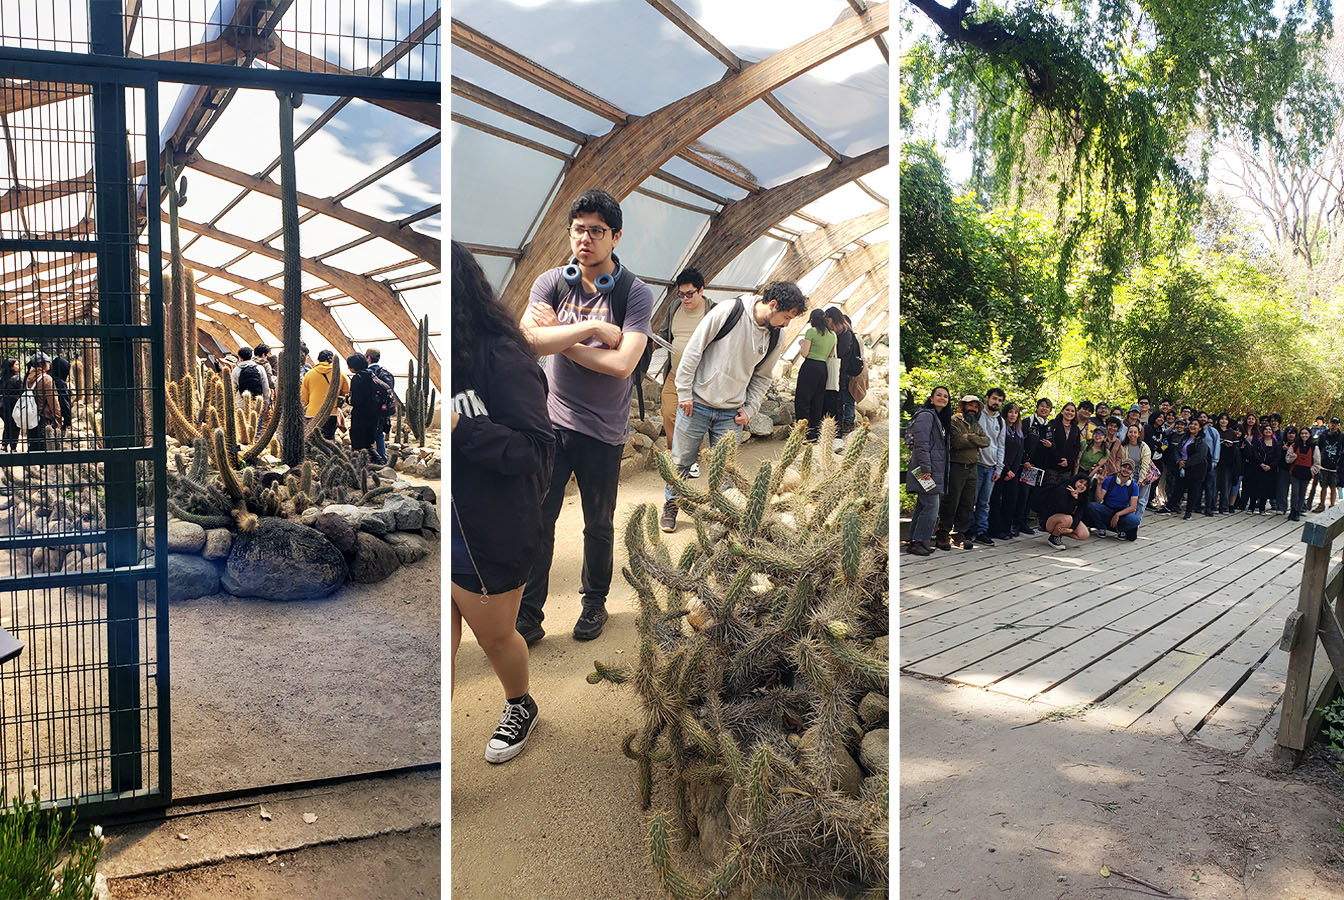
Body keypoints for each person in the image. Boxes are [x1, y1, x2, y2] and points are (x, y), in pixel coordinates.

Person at [518, 189, 654, 645]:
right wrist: (593, 330)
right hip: (550, 423)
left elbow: (622, 365)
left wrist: (559, 335)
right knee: (539, 519)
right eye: (579, 229)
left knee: (598, 523)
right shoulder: (551, 281)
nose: (586, 239)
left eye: (597, 231)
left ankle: (594, 603)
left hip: (603, 430)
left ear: (615, 237)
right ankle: (528, 615)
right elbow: (528, 343)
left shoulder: (635, 294)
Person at [450, 240, 555, 765]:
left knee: (495, 639)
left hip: (487, 535)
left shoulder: (504, 357)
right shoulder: (448, 358)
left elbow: (536, 450)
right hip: (447, 525)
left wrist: (461, 428)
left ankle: (521, 702)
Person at [661, 281, 803, 534]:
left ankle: (721, 516)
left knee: (727, 469)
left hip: (731, 412)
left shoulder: (776, 335)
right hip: (697, 403)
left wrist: (749, 409)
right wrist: (684, 392)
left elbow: (763, 376)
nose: (787, 324)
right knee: (682, 460)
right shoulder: (729, 311)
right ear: (772, 305)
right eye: (787, 317)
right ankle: (671, 504)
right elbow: (693, 350)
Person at [658, 267, 713, 474]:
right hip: (674, 373)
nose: (685, 298)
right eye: (681, 294)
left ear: (701, 290)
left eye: (689, 294)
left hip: (699, 377)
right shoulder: (674, 307)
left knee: (692, 418)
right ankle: (676, 456)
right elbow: (664, 332)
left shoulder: (713, 310)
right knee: (669, 412)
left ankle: (690, 460)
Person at [935, 395, 989, 550]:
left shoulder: (976, 425)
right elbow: (957, 442)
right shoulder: (954, 421)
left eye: (976, 406)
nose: (973, 409)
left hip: (972, 467)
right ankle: (943, 533)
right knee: (951, 500)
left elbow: (986, 442)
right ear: (962, 406)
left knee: (967, 502)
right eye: (970, 406)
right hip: (956, 466)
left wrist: (970, 437)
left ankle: (959, 533)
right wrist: (975, 440)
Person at [905, 386, 951, 556]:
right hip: (925, 469)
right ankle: (918, 541)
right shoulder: (926, 415)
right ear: (931, 398)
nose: (942, 398)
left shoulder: (938, 418)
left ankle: (916, 541)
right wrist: (926, 468)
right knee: (932, 506)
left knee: (923, 505)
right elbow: (921, 444)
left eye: (945, 396)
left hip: (933, 469)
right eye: (938, 395)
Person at [793, 308, 835, 444]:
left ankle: (802, 432)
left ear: (812, 320)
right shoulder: (832, 334)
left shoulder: (811, 332)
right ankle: (814, 433)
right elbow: (831, 354)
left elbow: (805, 353)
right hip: (823, 368)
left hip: (810, 366)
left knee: (803, 399)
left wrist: (801, 345)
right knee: (818, 401)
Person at [970, 386, 1006, 546]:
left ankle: (981, 531)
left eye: (999, 400)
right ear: (987, 398)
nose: (996, 402)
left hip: (992, 466)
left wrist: (999, 468)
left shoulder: (1001, 421)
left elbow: (1001, 445)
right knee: (971, 500)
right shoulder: (978, 415)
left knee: (985, 502)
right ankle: (967, 531)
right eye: (994, 398)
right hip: (976, 463)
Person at [988, 401, 1026, 540]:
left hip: (1013, 473)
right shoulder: (1001, 429)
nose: (1013, 415)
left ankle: (1006, 527)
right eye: (1010, 412)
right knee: (995, 500)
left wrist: (1013, 471)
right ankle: (995, 529)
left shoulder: (1018, 432)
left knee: (1010, 501)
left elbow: (1019, 453)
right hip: (1000, 470)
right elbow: (999, 450)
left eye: (1015, 412)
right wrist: (1006, 470)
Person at [1020, 397, 1053, 533]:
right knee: (1023, 495)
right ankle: (1018, 523)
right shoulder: (1028, 422)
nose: (1044, 409)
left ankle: (1025, 522)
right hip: (1029, 465)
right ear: (1037, 407)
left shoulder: (1049, 426)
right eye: (1042, 406)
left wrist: (1051, 446)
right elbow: (1020, 442)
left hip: (1042, 467)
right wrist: (1025, 459)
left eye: (1047, 407)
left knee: (1033, 496)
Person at [300, 350, 349, 440]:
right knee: (329, 440)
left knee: (312, 441)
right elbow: (346, 392)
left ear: (318, 360)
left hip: (312, 414)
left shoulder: (309, 374)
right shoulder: (340, 374)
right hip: (331, 413)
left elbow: (304, 398)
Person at [1089, 460, 1141, 540]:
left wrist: (1118, 514)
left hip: (1122, 513)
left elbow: (1133, 507)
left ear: (1132, 472)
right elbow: (1098, 500)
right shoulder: (1109, 480)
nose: (1126, 470)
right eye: (1124, 467)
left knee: (1135, 520)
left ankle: (1121, 530)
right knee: (1092, 506)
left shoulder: (1134, 486)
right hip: (1108, 509)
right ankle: (1101, 527)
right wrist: (1099, 484)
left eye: (1129, 468)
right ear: (1120, 467)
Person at [1036, 472, 1091, 550]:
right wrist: (1074, 499)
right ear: (1075, 480)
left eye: (1085, 485)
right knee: (1068, 518)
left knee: (1084, 534)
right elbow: (1064, 510)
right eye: (1081, 482)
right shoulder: (1062, 489)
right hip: (1049, 519)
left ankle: (1061, 531)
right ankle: (1054, 538)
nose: (1082, 486)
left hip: (1066, 520)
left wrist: (1071, 529)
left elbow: (1079, 514)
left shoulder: (1082, 496)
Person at [832, 309, 862, 438]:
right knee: (848, 396)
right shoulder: (852, 335)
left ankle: (848, 422)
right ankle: (848, 421)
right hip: (852, 370)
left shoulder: (847, 334)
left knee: (847, 397)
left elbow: (843, 353)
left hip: (847, 371)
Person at [21, 354, 60, 452]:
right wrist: (58, 417)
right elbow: (53, 400)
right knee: (43, 446)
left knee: (32, 444)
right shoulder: (46, 379)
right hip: (43, 416)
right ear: (40, 364)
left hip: (31, 416)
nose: (49, 364)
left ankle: (31, 466)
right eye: (47, 362)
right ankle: (43, 467)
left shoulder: (28, 377)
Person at [365, 347, 397, 463]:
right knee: (379, 435)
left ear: (368, 358)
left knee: (367, 435)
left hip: (371, 410)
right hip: (383, 411)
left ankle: (373, 460)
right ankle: (382, 458)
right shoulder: (386, 373)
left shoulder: (369, 374)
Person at [1041, 402, 1081, 490]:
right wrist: (1059, 459)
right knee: (1047, 492)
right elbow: (1050, 444)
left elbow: (1077, 448)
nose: (1069, 413)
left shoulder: (1076, 429)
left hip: (1067, 469)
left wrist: (1068, 460)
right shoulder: (1052, 424)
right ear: (1062, 411)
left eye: (1072, 411)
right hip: (1051, 466)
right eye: (1067, 410)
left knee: (1061, 494)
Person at [346, 354, 380, 458]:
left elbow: (356, 400)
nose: (348, 368)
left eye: (349, 366)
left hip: (360, 416)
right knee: (368, 444)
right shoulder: (372, 375)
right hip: (373, 414)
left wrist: (347, 399)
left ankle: (364, 467)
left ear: (354, 366)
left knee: (358, 444)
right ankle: (377, 464)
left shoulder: (357, 378)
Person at [1179, 419, 1211, 519]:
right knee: (1178, 487)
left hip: (1196, 468)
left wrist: (1187, 463)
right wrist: (1179, 461)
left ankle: (1188, 512)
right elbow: (1177, 450)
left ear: (1200, 428)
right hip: (1182, 466)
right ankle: (1170, 507)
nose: (1192, 426)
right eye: (1191, 424)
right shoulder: (1184, 438)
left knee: (1193, 490)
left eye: (1196, 425)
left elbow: (1201, 455)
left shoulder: (1202, 440)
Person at [1247, 424, 1282, 515]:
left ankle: (1262, 509)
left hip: (1270, 470)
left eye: (1270, 429)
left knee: (1266, 489)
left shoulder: (1276, 443)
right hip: (1258, 468)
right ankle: (1251, 507)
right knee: (1255, 488)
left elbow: (1278, 457)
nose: (1268, 431)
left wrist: (1270, 466)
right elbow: (1254, 453)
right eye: (1266, 429)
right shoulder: (1258, 441)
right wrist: (1261, 464)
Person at [1314, 417, 1344, 513]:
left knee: (1333, 486)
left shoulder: (1341, 437)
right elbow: (1319, 446)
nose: (1334, 425)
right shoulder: (1323, 435)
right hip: (1324, 464)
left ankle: (1332, 505)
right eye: (1332, 423)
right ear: (1329, 423)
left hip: (1336, 466)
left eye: (1336, 423)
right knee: (1323, 486)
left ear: (1338, 425)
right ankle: (1321, 505)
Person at [1287, 426, 1314, 521]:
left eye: (1306, 433)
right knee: (1295, 492)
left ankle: (1298, 511)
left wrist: (1312, 472)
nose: (1304, 435)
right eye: (1302, 433)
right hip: (1295, 472)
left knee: (1302, 493)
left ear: (1309, 435)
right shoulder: (1295, 445)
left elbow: (1317, 462)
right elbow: (1288, 459)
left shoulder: (1314, 446)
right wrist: (1293, 457)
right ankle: (1293, 510)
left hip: (1306, 473)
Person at [0, 357, 21, 451]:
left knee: (8, 425)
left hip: (3, 405)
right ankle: (13, 447)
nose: (18, 366)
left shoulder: (2, 378)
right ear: (11, 367)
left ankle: (4, 445)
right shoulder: (18, 378)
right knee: (15, 426)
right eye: (16, 364)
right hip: (14, 405)